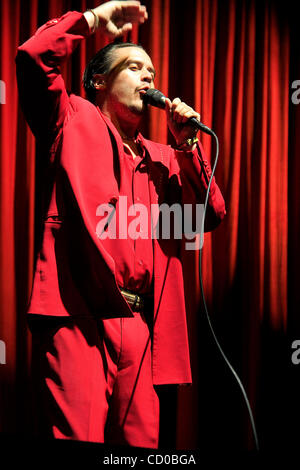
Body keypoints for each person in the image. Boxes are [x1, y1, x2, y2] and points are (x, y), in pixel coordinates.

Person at [16, 1, 226, 449]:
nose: (148, 76)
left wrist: (188, 145)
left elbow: (210, 214)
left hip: (141, 324)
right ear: (99, 81)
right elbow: (33, 56)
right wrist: (92, 19)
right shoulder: (72, 118)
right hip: (80, 311)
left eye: (151, 70)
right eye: (133, 67)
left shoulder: (165, 158)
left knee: (141, 449)